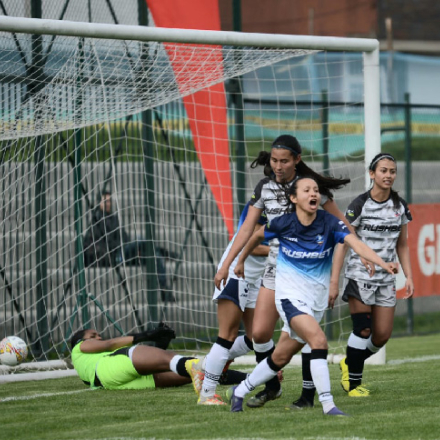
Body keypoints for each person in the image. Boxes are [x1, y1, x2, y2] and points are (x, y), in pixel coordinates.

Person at [227, 177, 398, 415]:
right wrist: (240, 261)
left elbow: (355, 243)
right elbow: (255, 236)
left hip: (314, 303)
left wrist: (380, 262)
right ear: (294, 198)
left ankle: (239, 391)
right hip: (289, 299)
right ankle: (328, 405)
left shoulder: (329, 222)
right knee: (318, 342)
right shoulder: (283, 223)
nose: (313, 194)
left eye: (316, 190)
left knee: (280, 357)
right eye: (306, 190)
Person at [214, 134, 354, 409]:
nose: (278, 166)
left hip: (307, 273)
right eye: (274, 161)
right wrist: (229, 264)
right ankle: (272, 385)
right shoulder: (265, 188)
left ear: (297, 160)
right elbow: (247, 231)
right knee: (260, 335)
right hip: (274, 270)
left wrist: (334, 277)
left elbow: (346, 231)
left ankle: (311, 397)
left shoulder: (312, 190)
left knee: (306, 335)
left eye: (284, 161)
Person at [333, 152, 414, 396]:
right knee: (363, 329)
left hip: (386, 279)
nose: (388, 175)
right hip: (360, 276)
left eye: (392, 171)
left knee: (381, 336)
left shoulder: (399, 207)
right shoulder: (359, 204)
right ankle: (353, 385)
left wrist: (408, 277)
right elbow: (345, 240)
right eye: (383, 171)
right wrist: (336, 279)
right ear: (372, 174)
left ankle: (350, 361)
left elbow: (402, 244)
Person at [193, 202, 270, 405]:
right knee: (227, 334)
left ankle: (205, 365)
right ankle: (207, 394)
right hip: (236, 273)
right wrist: (283, 249)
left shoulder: (287, 205)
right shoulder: (264, 201)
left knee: (256, 338)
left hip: (254, 277)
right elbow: (252, 246)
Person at [70, 323, 248, 391]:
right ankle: (245, 344)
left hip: (111, 382)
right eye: (93, 336)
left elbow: (152, 362)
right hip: (109, 368)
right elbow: (109, 345)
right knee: (190, 364)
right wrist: (149, 334)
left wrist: (160, 343)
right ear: (80, 340)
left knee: (189, 373)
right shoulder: (79, 347)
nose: (98, 337)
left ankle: (251, 378)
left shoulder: (86, 365)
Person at [83, 191, 173, 301]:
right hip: (114, 255)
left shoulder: (114, 218)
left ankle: (164, 287)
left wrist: (125, 243)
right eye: (105, 201)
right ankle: (167, 254)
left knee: (153, 254)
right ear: (99, 203)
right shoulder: (96, 220)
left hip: (123, 251)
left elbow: (124, 236)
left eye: (109, 201)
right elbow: (103, 243)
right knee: (141, 240)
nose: (108, 204)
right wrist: (121, 243)